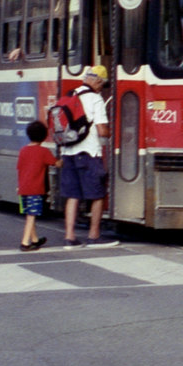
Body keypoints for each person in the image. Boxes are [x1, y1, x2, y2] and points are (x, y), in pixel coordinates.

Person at [59, 65, 111, 248]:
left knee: (73, 195)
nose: (101, 88)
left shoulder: (70, 94)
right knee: (97, 194)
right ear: (97, 81)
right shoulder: (96, 99)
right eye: (102, 85)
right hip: (89, 152)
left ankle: (69, 237)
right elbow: (102, 130)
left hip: (68, 152)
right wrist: (111, 131)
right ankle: (94, 235)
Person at [16, 120, 58, 251]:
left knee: (29, 214)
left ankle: (34, 239)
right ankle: (25, 242)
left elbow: (19, 168)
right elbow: (55, 163)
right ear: (44, 137)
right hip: (35, 189)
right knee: (31, 216)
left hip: (23, 189)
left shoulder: (23, 150)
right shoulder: (43, 151)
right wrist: (62, 161)